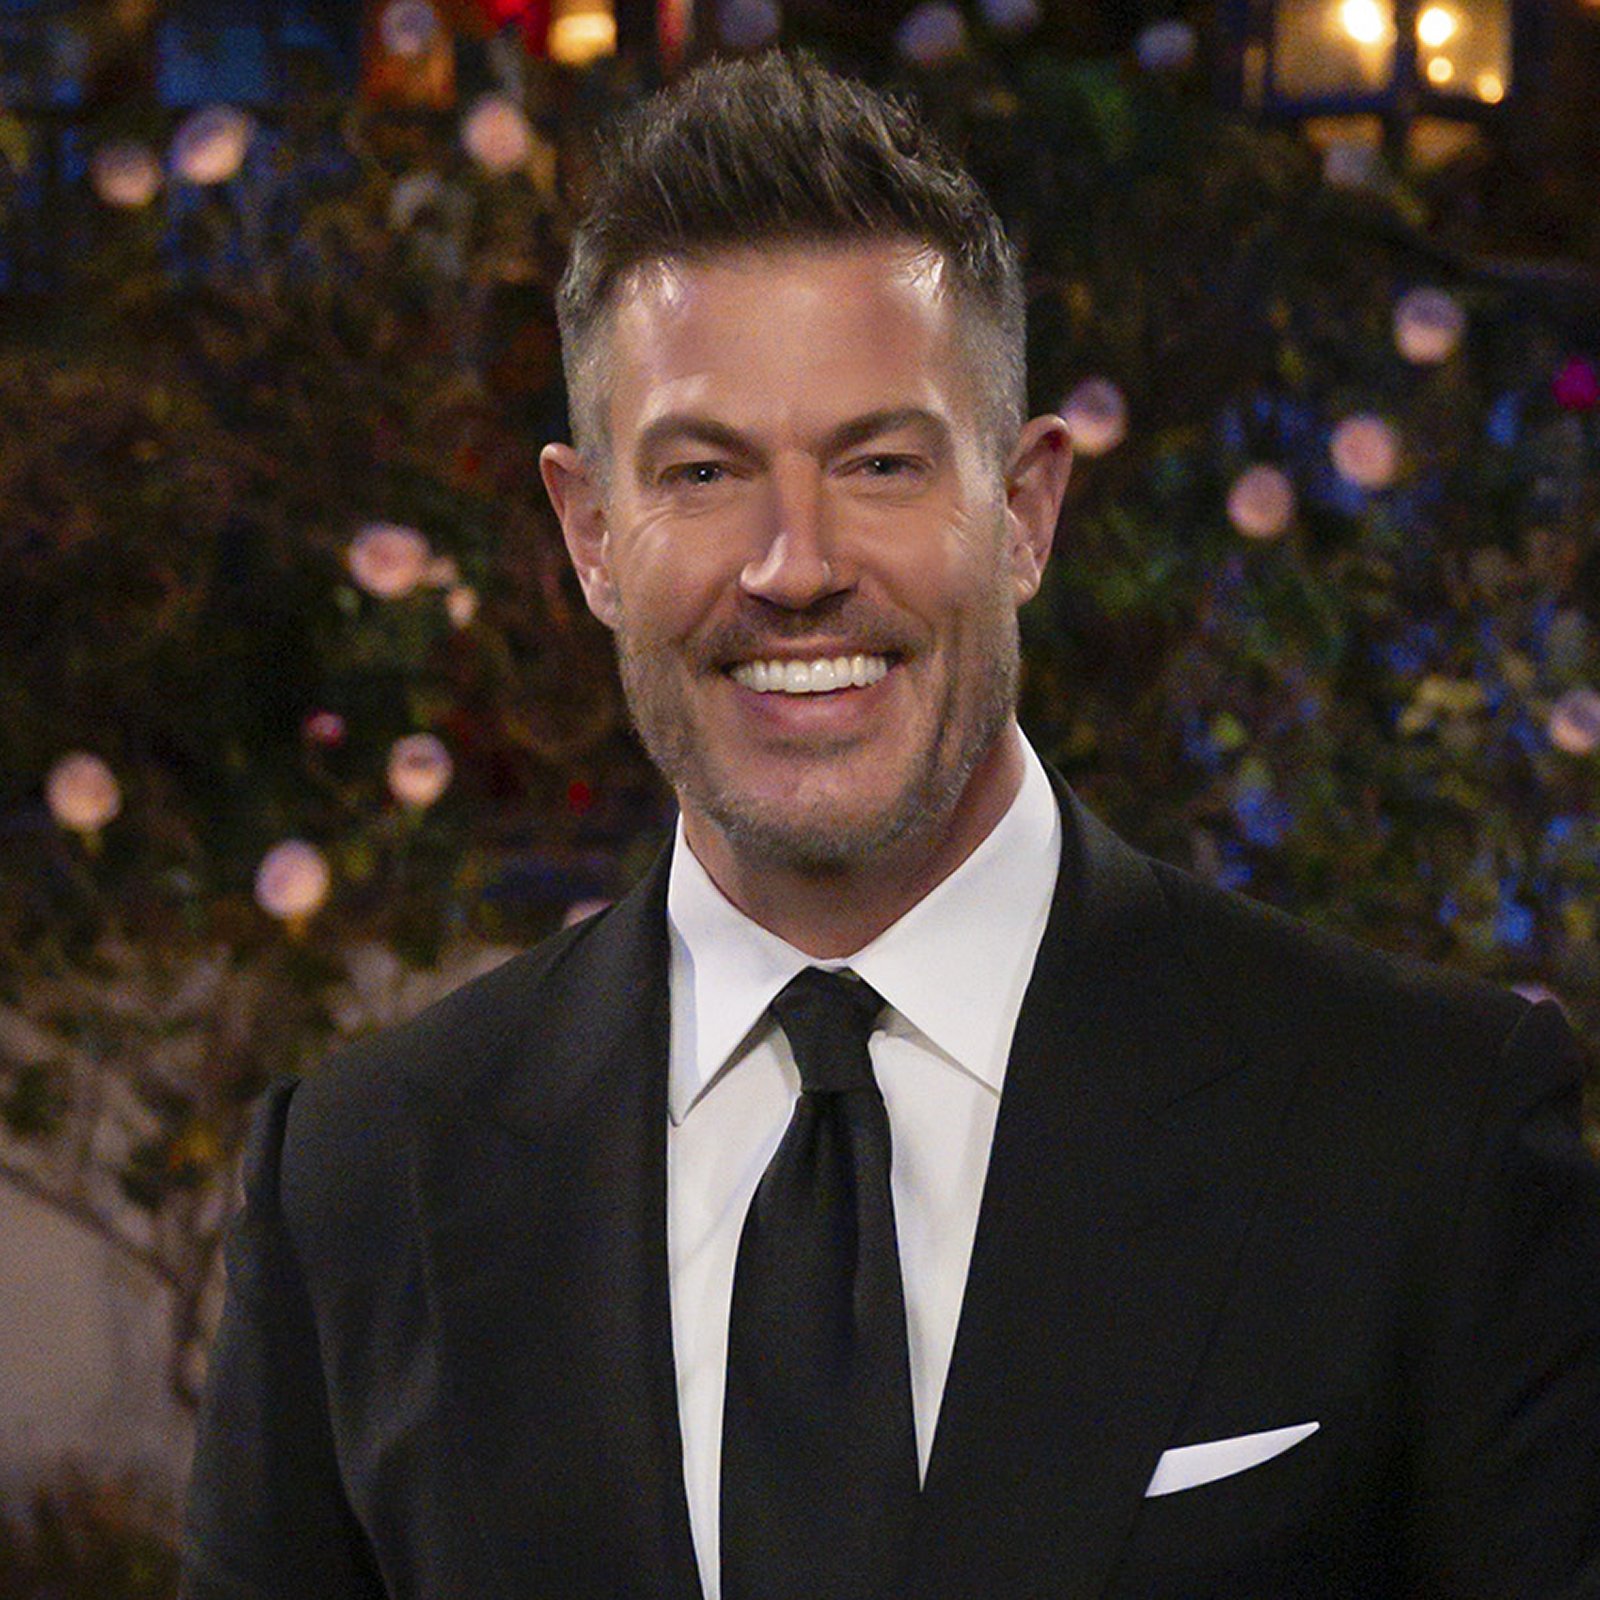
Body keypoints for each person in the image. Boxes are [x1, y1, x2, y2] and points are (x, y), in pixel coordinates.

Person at [179, 50, 1600, 1600]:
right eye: (703, 471)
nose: (796, 566)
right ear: (591, 535)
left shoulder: (1422, 1133)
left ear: (1026, 509)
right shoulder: (359, 1181)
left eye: (879, 463)